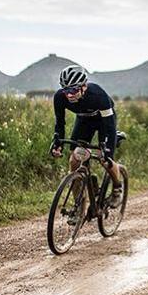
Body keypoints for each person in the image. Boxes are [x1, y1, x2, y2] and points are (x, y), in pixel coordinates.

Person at [49, 64, 123, 207]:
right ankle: (79, 206)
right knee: (74, 161)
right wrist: (57, 142)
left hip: (104, 121)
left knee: (105, 159)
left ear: (84, 86)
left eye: (74, 90)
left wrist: (107, 149)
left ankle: (117, 189)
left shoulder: (98, 95)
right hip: (84, 120)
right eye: (66, 90)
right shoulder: (59, 97)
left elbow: (109, 126)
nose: (69, 94)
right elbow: (60, 123)